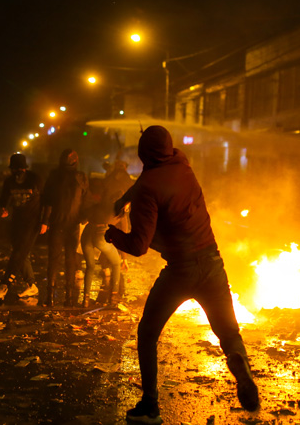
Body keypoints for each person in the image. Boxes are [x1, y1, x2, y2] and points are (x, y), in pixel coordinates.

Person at [104, 125, 260, 423]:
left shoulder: (148, 187)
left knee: (148, 333)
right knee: (228, 332)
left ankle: (150, 406)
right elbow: (149, 181)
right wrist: (123, 199)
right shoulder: (182, 165)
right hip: (213, 263)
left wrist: (112, 235)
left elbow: (138, 245)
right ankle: (241, 368)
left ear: (143, 152)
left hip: (181, 271)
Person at [80, 160, 133, 307]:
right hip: (100, 234)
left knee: (90, 266)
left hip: (87, 233)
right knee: (116, 264)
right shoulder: (121, 213)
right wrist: (125, 258)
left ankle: (85, 299)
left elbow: (85, 217)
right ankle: (113, 297)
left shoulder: (104, 204)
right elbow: (124, 234)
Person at [40, 148, 88, 307]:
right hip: (73, 226)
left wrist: (45, 222)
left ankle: (50, 297)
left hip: (56, 224)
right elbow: (86, 202)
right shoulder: (81, 177)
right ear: (76, 161)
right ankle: (69, 297)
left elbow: (46, 201)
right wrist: (84, 219)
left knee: (53, 260)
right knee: (71, 260)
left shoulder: (54, 176)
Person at [0, 153, 44, 300]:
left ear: (25, 169)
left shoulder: (35, 179)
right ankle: (31, 286)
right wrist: (2, 208)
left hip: (33, 222)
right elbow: (2, 199)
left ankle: (4, 286)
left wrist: (45, 221)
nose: (17, 175)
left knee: (18, 254)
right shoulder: (9, 182)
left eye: (20, 170)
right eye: (14, 171)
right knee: (21, 254)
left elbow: (46, 201)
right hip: (17, 221)